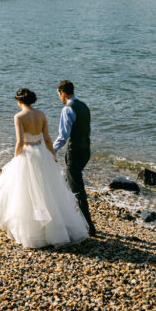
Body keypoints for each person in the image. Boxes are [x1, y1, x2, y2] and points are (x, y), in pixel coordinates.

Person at [0, 88, 89, 248]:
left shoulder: (19, 117)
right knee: (47, 191)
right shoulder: (41, 115)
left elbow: (20, 141)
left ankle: (33, 232)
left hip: (27, 153)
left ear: (19, 101)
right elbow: (47, 139)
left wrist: (16, 158)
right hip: (42, 152)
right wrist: (52, 156)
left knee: (25, 192)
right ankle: (56, 230)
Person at [53, 80, 96, 236]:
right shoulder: (84, 106)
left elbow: (63, 137)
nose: (59, 97)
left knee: (77, 190)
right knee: (66, 183)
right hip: (86, 150)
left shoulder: (67, 109)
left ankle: (89, 225)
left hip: (75, 152)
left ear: (62, 93)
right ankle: (65, 218)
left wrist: (52, 150)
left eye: (59, 94)